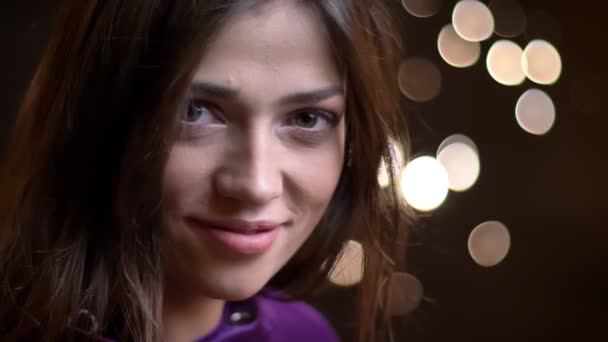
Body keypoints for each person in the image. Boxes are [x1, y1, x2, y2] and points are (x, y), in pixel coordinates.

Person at [0, 0, 411, 341]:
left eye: (307, 118)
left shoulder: (305, 335)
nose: (256, 185)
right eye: (193, 112)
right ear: (98, 113)